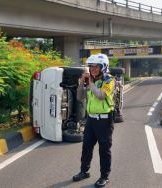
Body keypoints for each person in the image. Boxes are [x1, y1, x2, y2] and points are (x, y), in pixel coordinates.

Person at [73, 53, 115, 188]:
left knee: (104, 149)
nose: (93, 69)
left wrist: (90, 83)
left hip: (104, 120)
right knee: (86, 147)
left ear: (103, 67)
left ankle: (104, 176)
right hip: (91, 119)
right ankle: (84, 171)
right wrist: (82, 82)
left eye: (96, 66)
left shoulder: (109, 80)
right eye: (91, 66)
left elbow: (101, 95)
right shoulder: (90, 80)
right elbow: (80, 97)